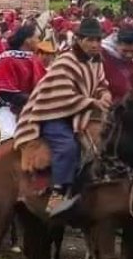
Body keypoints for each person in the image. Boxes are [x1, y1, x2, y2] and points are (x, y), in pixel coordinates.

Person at [13, 18, 111, 216]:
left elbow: (101, 84)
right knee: (67, 147)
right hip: (52, 113)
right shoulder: (67, 60)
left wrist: (104, 94)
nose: (95, 44)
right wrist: (91, 102)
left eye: (98, 40)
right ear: (79, 39)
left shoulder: (97, 61)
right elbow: (61, 94)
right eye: (90, 40)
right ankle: (57, 193)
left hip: (80, 113)